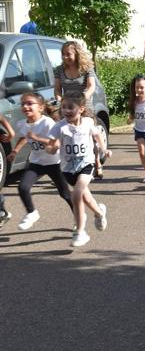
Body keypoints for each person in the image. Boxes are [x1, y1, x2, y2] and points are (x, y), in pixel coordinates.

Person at [40, 93, 111, 248]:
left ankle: (80, 231)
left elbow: (97, 134)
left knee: (77, 194)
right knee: (86, 198)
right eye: (63, 107)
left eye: (70, 107)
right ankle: (99, 213)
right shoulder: (59, 127)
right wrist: (52, 149)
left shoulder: (87, 123)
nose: (66, 110)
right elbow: (51, 147)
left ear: (81, 109)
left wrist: (104, 149)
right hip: (67, 169)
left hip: (86, 164)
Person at [9, 93, 73, 230]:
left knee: (65, 194)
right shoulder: (22, 124)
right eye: (23, 104)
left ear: (41, 107)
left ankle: (79, 218)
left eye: (30, 103)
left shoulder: (47, 122)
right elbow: (24, 137)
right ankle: (32, 213)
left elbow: (56, 143)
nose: (25, 106)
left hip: (54, 163)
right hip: (36, 162)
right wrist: (15, 151)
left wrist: (36, 138)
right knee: (23, 187)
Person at [54, 41, 103, 179]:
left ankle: (97, 163)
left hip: (83, 106)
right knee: (67, 137)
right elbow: (57, 89)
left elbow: (91, 86)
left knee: (91, 137)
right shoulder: (59, 70)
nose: (65, 57)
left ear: (76, 53)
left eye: (68, 54)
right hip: (67, 108)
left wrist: (82, 98)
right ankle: (68, 167)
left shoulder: (87, 68)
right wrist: (60, 99)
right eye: (63, 54)